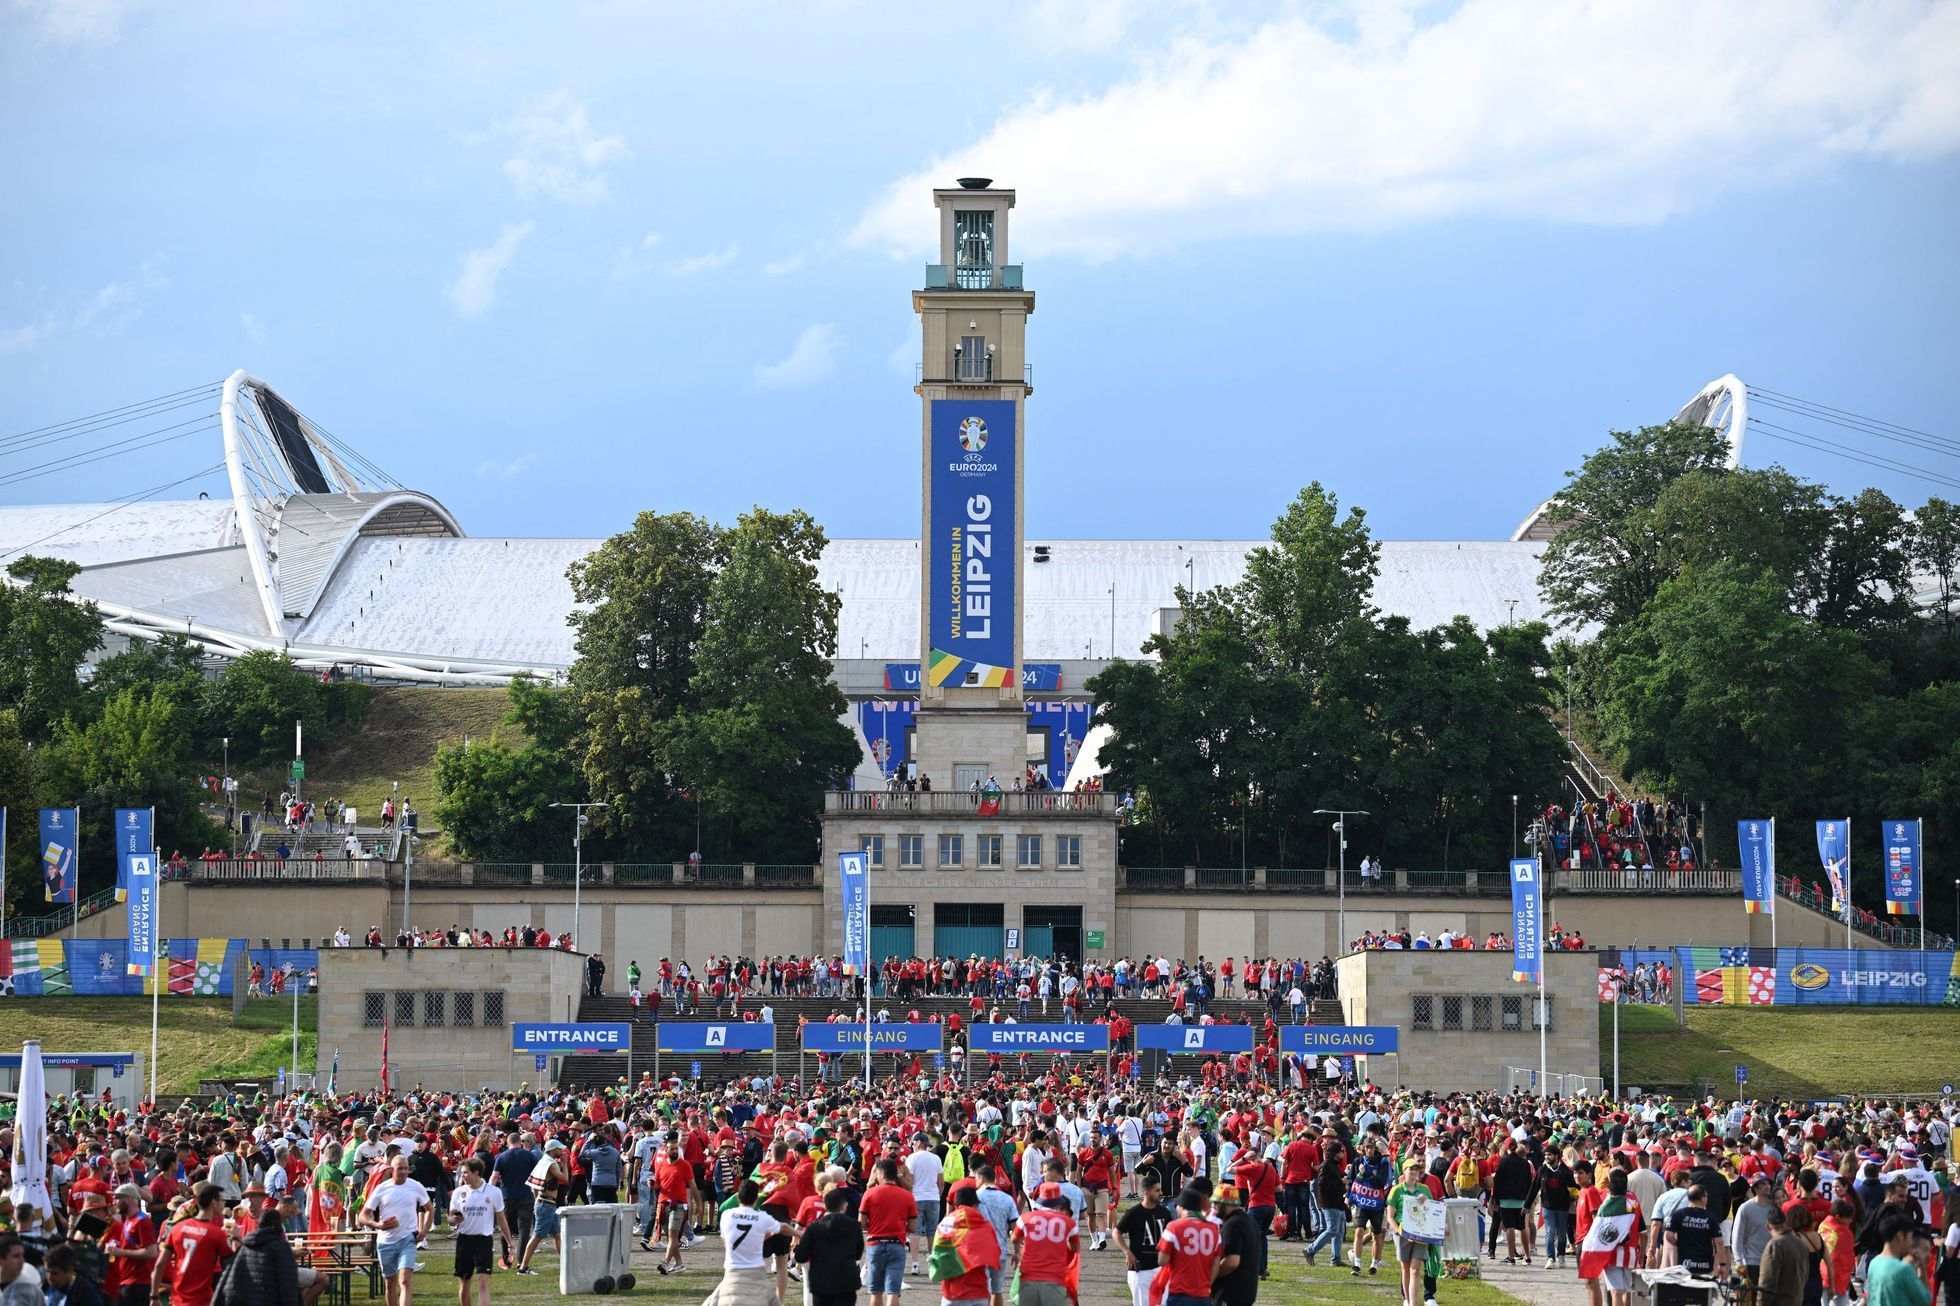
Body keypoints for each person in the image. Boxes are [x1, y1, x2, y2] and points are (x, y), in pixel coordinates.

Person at [358, 1153, 433, 1306]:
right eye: (400, 1169)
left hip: (408, 1239)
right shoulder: (382, 1188)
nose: (404, 1172)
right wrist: (378, 1225)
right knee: (390, 1284)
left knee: (405, 1280)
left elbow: (429, 1209)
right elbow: (363, 1216)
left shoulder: (415, 1186)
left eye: (406, 1168)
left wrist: (424, 1231)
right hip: (386, 1241)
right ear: (392, 1169)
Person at [210, 1204, 313, 1306]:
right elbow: (288, 1283)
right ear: (277, 1224)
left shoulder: (246, 1245)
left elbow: (231, 1278)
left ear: (259, 1224)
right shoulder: (280, 1246)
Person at [705, 1180, 782, 1306]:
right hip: (755, 1274)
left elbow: (726, 1241)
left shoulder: (726, 1215)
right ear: (756, 1198)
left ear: (738, 1197)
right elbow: (782, 1227)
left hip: (732, 1274)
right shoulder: (762, 1218)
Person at [449, 1156, 513, 1306]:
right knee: (464, 1282)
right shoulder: (459, 1192)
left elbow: (502, 1219)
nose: (462, 1176)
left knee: (483, 1281)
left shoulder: (493, 1192)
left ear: (476, 1172)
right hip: (464, 1240)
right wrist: (454, 1219)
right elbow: (451, 1217)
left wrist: (510, 1243)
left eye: (465, 1173)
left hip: (483, 1241)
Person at [154, 1184, 229, 1306]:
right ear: (213, 1203)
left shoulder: (177, 1225)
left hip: (179, 1293)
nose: (224, 1203)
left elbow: (160, 1263)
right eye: (222, 1200)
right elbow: (232, 1264)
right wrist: (236, 1239)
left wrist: (153, 1296)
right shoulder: (215, 1232)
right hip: (202, 1293)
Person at [794, 1186, 865, 1306]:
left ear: (825, 1206)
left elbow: (800, 1256)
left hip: (821, 1281)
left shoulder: (814, 1228)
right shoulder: (854, 1226)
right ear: (843, 1206)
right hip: (846, 1280)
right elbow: (858, 1253)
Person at [862, 1158, 918, 1306]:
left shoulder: (869, 1194)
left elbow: (861, 1222)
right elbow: (913, 1227)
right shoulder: (907, 1196)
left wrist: (873, 1225)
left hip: (875, 1244)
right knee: (893, 1291)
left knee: (875, 1291)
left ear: (881, 1174)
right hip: (897, 1244)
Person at [1011, 1184, 1079, 1306]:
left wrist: (1017, 1252)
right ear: (1059, 1201)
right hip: (1055, 1280)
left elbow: (1015, 1239)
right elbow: (1074, 1248)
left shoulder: (1025, 1218)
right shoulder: (1069, 1223)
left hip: (1028, 1279)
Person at [1155, 1188, 1220, 1306]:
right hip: (1203, 1293)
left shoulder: (1173, 1227)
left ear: (1181, 1206)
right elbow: (1216, 1264)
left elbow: (1162, 1260)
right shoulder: (1213, 1229)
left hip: (1179, 1291)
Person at [1115, 1174, 1171, 1306]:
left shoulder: (1164, 1212)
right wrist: (1127, 1252)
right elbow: (1117, 1232)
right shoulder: (1134, 1213)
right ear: (1146, 1192)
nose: (1161, 1193)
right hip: (1140, 1270)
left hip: (1161, 1269)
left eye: (1160, 1189)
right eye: (1157, 1190)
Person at [100, 1182, 158, 1306]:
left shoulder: (142, 1221)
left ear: (129, 1199)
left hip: (138, 1284)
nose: (114, 1202)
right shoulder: (127, 1220)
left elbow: (152, 1252)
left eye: (118, 1198)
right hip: (126, 1282)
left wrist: (121, 1252)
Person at [515, 1140, 567, 1277]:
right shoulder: (550, 1163)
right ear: (553, 1150)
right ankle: (523, 1267)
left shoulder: (544, 1160)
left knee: (557, 1234)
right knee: (537, 1236)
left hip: (545, 1203)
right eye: (559, 1149)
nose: (561, 1152)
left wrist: (536, 1202)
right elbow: (565, 1179)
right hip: (546, 1204)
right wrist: (565, 1164)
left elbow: (535, 1185)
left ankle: (565, 1263)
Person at [1863, 1209, 1931, 1306]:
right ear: (1900, 1236)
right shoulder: (1903, 1269)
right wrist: (1921, 1267)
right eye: (1910, 1237)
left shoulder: (1874, 1263)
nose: (1911, 1243)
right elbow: (1925, 1300)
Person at [1213, 1184, 1263, 1306]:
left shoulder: (1232, 1225)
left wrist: (1211, 1276)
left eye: (1216, 1203)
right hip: (1246, 1291)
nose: (1213, 1207)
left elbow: (1231, 1262)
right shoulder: (1249, 1221)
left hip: (1231, 1293)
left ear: (1227, 1204)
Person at [1666, 1184, 1724, 1278]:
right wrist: (1722, 1265)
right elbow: (1719, 1243)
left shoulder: (1679, 1214)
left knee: (1685, 1290)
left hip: (1684, 1264)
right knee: (1703, 1291)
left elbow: (1668, 1235)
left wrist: (1679, 1244)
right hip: (1705, 1265)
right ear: (1703, 1198)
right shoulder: (1711, 1217)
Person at [41, 1245, 107, 1306]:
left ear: (70, 1270)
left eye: (55, 1273)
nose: (49, 1277)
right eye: (47, 1271)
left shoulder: (88, 1294)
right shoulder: (46, 1285)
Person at [0, 1236, 42, 1306]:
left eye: (22, 1255)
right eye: (16, 1256)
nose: (22, 1261)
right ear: (1, 1260)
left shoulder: (30, 1287)